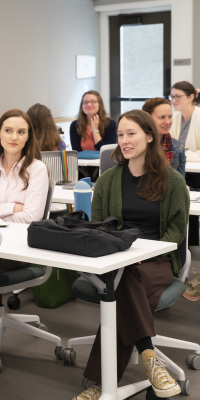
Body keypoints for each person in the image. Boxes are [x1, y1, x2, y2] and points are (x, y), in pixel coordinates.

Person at [74, 110, 188, 400]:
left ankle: (101, 386)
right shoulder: (109, 180)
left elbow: (177, 230)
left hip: (158, 260)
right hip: (117, 258)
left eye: (132, 134)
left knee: (122, 282)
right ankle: (149, 355)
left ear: (149, 137)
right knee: (123, 275)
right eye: (121, 134)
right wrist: (122, 253)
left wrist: (149, 252)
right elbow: (99, 225)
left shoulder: (171, 181)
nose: (124, 140)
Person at [0, 109, 49, 224]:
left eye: (21, 132)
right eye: (8, 130)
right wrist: (13, 208)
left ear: (28, 136)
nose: (14, 137)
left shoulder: (37, 169)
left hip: (21, 237)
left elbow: (31, 217)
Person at [142, 98, 186, 178]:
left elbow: (180, 183)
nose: (168, 122)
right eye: (162, 117)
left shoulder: (178, 147)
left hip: (169, 189)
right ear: (147, 119)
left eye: (170, 117)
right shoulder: (133, 145)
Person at [169, 81, 200, 188]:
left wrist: (181, 155)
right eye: (172, 96)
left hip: (195, 174)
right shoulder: (174, 118)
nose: (173, 100)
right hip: (179, 169)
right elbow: (169, 146)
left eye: (178, 97)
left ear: (191, 97)